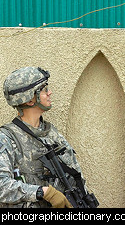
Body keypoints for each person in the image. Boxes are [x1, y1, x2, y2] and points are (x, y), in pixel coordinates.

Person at [0, 67, 89, 208]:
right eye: (44, 89)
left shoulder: (52, 134)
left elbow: (76, 177)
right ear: (30, 99)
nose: (50, 93)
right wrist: (43, 192)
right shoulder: (7, 138)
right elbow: (1, 186)